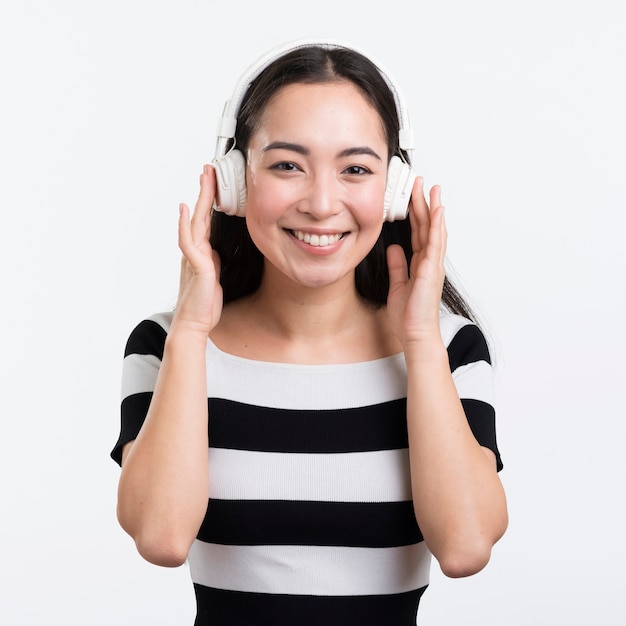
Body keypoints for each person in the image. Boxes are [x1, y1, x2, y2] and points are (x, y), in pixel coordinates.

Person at [111, 39, 508, 625]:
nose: (323, 203)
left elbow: (466, 546)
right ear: (234, 182)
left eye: (355, 169)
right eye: (287, 165)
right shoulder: (168, 344)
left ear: (394, 190)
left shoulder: (449, 348)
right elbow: (161, 537)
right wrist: (193, 330)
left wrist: (419, 342)